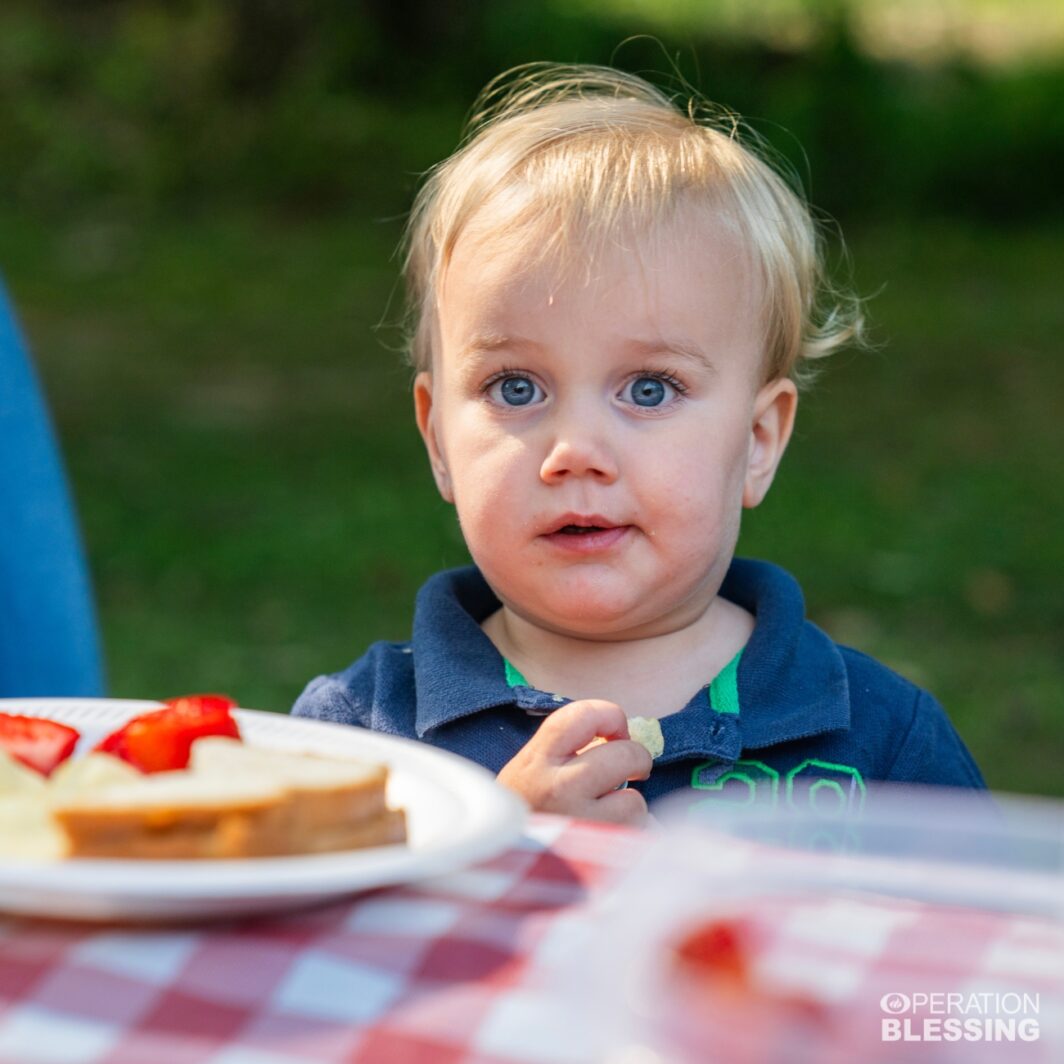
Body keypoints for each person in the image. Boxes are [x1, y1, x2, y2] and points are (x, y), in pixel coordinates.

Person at [293, 64, 985, 824]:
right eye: (515, 388)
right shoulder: (360, 739)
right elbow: (283, 937)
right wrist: (492, 843)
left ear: (757, 441)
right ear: (438, 441)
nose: (575, 451)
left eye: (649, 389)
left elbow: (988, 940)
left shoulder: (883, 745)